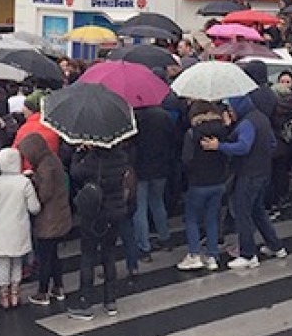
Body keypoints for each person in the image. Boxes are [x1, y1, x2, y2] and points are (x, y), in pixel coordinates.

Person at [212, 95, 286, 269]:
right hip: (263, 171)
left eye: (231, 108)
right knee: (258, 210)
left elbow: (243, 146)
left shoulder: (247, 123)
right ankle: (276, 246)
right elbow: (272, 143)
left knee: (243, 212)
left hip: (248, 173)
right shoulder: (261, 118)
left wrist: (220, 146)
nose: (230, 112)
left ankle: (248, 254)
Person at [66, 144, 132, 320]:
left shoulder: (92, 160)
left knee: (88, 256)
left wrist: (79, 154)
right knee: (109, 254)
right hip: (115, 212)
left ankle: (85, 302)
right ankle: (110, 301)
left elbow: (75, 172)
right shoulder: (122, 158)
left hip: (95, 214)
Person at [178, 102, 230, 272]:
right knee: (212, 218)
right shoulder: (223, 130)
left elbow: (186, 159)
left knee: (192, 218)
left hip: (198, 182)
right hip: (219, 181)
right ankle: (212, 256)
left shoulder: (192, 133)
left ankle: (194, 254)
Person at [0, 147, 41, 308]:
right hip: (19, 227)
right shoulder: (24, 183)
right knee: (17, 261)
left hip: (0, 228)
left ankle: (4, 296)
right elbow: (34, 207)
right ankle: (15, 294)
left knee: (2, 262)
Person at [21, 133, 71, 305]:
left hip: (49, 219)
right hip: (60, 215)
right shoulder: (52, 159)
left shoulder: (45, 167)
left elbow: (44, 194)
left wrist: (32, 183)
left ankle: (43, 292)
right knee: (54, 255)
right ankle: (58, 287)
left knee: (44, 258)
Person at [131, 104, 177, 258]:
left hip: (140, 168)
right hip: (160, 167)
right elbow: (173, 139)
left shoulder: (133, 118)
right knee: (157, 202)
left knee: (140, 208)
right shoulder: (163, 116)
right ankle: (165, 238)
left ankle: (144, 247)